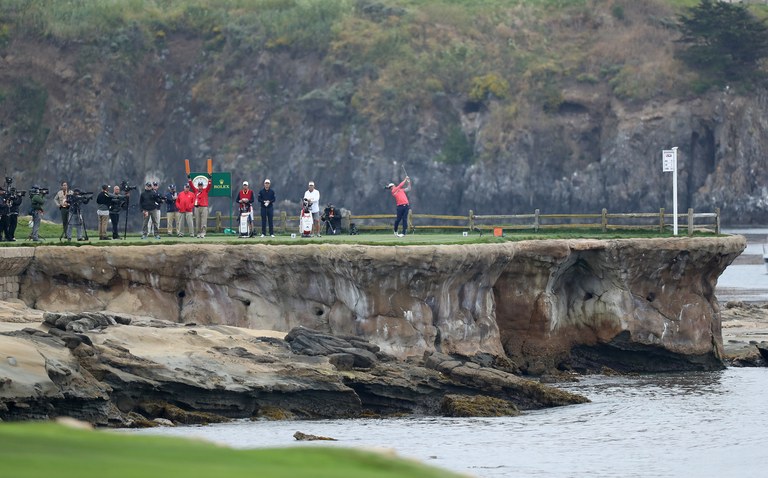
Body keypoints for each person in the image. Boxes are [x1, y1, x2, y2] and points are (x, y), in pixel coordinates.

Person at [188, 173, 212, 238]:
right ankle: (198, 233)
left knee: (204, 221)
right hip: (197, 207)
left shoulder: (205, 190)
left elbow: (209, 186)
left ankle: (203, 233)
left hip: (204, 207)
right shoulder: (196, 191)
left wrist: (209, 179)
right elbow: (191, 185)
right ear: (198, 186)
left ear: (202, 186)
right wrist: (189, 179)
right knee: (197, 220)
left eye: (201, 185)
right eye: (199, 185)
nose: (200, 187)